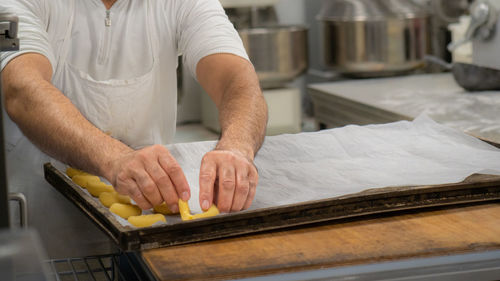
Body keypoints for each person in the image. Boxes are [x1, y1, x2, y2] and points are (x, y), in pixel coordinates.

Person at [0, 0, 267, 257]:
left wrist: (237, 146)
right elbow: (22, 89)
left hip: (146, 225)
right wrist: (115, 158)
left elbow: (237, 79)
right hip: (39, 220)